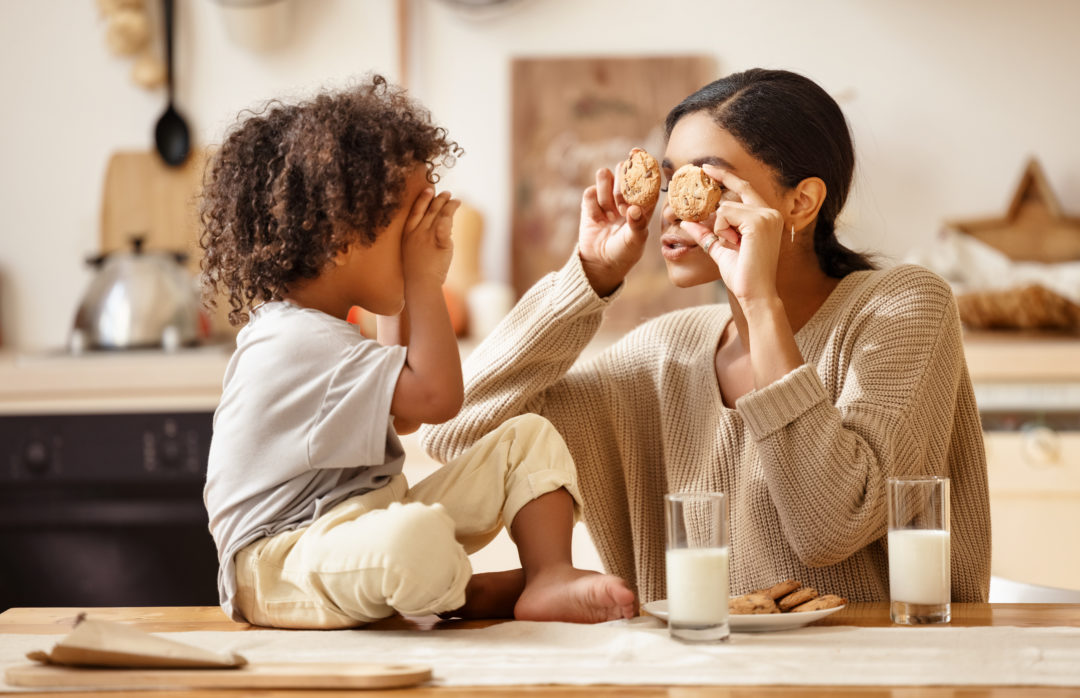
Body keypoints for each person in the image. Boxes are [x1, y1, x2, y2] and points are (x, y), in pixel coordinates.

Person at [422, 68, 991, 605]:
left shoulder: (901, 307)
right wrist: (588, 276)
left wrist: (758, 302)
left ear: (801, 202)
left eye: (707, 181)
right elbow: (459, 432)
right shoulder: (667, 351)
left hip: (877, 672)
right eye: (670, 182)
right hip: (694, 673)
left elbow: (830, 527)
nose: (672, 208)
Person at [198, 75, 636, 629]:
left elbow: (402, 415)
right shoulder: (295, 343)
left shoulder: (319, 332)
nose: (423, 237)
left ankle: (547, 575)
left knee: (526, 438)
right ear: (341, 240)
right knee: (415, 537)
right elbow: (434, 398)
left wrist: (407, 283)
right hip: (281, 561)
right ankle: (464, 596)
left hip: (360, 524)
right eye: (411, 222)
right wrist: (424, 282)